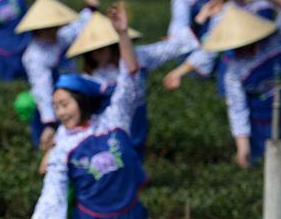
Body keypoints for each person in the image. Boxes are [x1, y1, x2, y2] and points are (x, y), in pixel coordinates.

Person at [10, 3, 147, 219]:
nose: (61, 113)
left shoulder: (113, 121)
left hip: (129, 214)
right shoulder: (63, 144)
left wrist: (122, 35)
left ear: (82, 102)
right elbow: (52, 192)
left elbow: (130, 78)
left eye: (64, 105)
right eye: (55, 107)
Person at [65, 10, 198, 157]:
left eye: (101, 50)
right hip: (110, 120)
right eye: (92, 52)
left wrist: (197, 27)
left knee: (136, 150)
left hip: (136, 114)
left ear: (113, 46)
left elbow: (164, 50)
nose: (96, 56)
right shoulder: (91, 76)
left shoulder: (138, 56)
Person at [201, 0, 281, 167]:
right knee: (263, 168)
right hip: (260, 125)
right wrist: (243, 147)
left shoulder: (274, 42)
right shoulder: (234, 72)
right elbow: (237, 109)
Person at [17, 0, 99, 150]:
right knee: (54, 148)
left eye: (55, 26)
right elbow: (42, 88)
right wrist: (49, 122)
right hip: (52, 106)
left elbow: (78, 26)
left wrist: (91, 8)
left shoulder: (61, 38)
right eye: (48, 27)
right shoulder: (35, 56)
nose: (53, 30)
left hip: (74, 98)